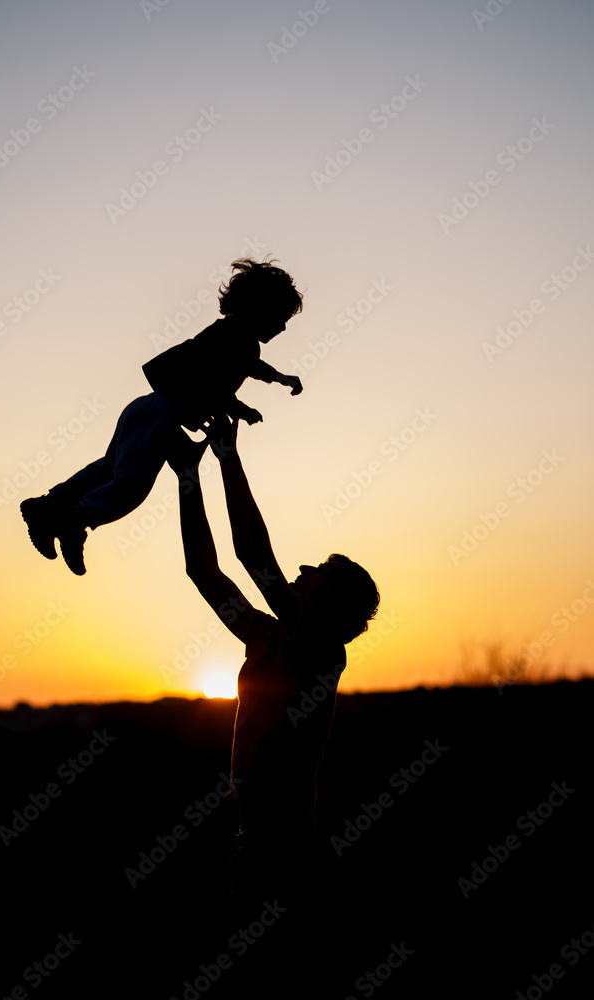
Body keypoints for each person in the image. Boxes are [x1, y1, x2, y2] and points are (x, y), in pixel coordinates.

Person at [167, 413, 380, 914]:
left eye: (320, 575)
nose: (305, 568)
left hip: (283, 851)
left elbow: (254, 557)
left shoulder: (322, 649)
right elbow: (203, 571)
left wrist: (226, 455)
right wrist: (186, 477)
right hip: (256, 843)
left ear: (332, 610)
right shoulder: (268, 635)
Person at [19, 258, 304, 575]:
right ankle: (74, 521)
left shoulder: (237, 339)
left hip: (147, 409)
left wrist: (269, 385)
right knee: (130, 485)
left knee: (108, 469)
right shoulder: (236, 338)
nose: (283, 327)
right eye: (280, 317)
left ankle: (48, 507)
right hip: (160, 416)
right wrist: (247, 400)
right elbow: (213, 376)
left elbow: (226, 374)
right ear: (258, 309)